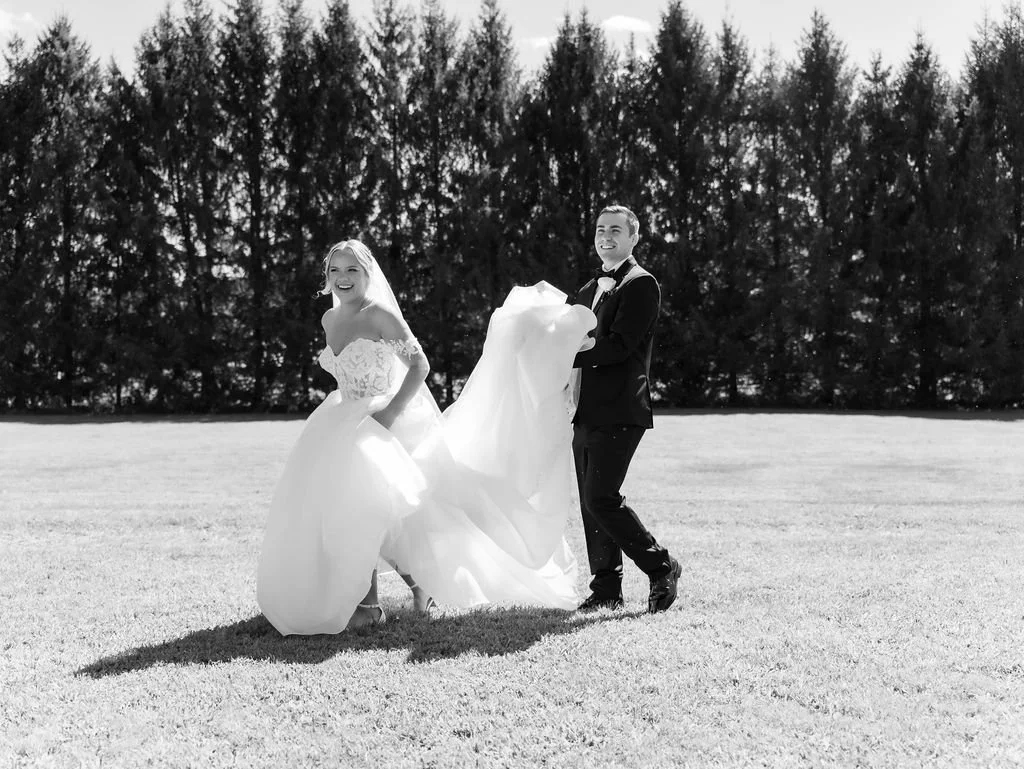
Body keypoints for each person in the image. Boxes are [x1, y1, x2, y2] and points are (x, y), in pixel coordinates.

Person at [257, 239, 595, 635]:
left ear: (367, 274)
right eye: (335, 270)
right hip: (340, 419)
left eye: (352, 270)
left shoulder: (379, 315)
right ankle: (412, 589)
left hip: (383, 419)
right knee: (349, 510)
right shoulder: (329, 320)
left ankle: (370, 606)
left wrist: (388, 414)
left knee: (369, 508)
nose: (343, 278)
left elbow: (419, 365)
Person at [570, 205, 681, 614]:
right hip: (582, 409)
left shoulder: (641, 284)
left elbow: (619, 347)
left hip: (620, 408)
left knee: (601, 497)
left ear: (633, 238)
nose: (606, 236)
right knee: (590, 502)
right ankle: (606, 588)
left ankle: (662, 565)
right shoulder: (586, 290)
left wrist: (566, 353)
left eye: (616, 230)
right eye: (601, 229)